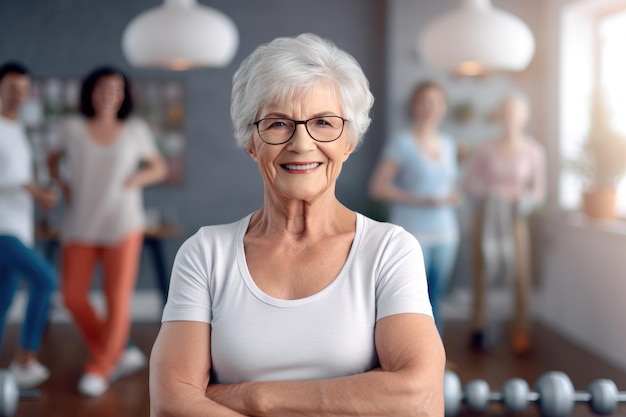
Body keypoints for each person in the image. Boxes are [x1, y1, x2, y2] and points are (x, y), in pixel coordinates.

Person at [149, 33, 445, 417]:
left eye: (323, 123)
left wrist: (253, 398)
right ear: (250, 141)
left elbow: (419, 400)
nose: (302, 144)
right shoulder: (205, 254)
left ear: (348, 142)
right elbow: (172, 405)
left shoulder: (389, 249)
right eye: (277, 124)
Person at [46, 66, 168, 396]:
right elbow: (52, 159)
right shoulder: (71, 127)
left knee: (117, 300)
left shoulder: (135, 129)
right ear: (90, 92)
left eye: (117, 89)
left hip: (123, 223)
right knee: (71, 296)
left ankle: (101, 366)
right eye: (103, 88)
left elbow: (159, 168)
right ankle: (121, 352)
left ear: (123, 96)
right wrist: (63, 185)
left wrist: (134, 180)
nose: (109, 95)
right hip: (80, 223)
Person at [369, 81, 460, 336]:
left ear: (443, 108)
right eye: (425, 101)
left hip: (446, 233)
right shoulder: (402, 143)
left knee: (437, 300)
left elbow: (446, 185)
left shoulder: (449, 143)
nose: (430, 108)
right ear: (415, 106)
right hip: (413, 233)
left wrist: (451, 196)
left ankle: (435, 363)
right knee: (413, 305)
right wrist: (421, 200)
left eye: (436, 102)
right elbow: (378, 187)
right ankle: (410, 360)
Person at [463, 93, 546, 356]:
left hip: (515, 218)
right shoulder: (486, 148)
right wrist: (491, 193)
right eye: (506, 112)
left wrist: (523, 199)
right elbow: (469, 183)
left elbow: (539, 190)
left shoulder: (534, 150)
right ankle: (479, 327)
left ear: (524, 116)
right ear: (500, 116)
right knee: (481, 269)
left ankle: (522, 330)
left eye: (516, 112)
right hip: (487, 216)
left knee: (520, 273)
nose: (511, 117)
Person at [0, 61, 58, 388]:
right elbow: (14, 179)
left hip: (19, 228)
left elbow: (20, 178)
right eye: (12, 88)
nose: (18, 95)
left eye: (24, 90)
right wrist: (32, 189)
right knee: (46, 280)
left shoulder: (18, 131)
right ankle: (26, 358)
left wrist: (41, 192)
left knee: (3, 299)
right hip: (2, 230)